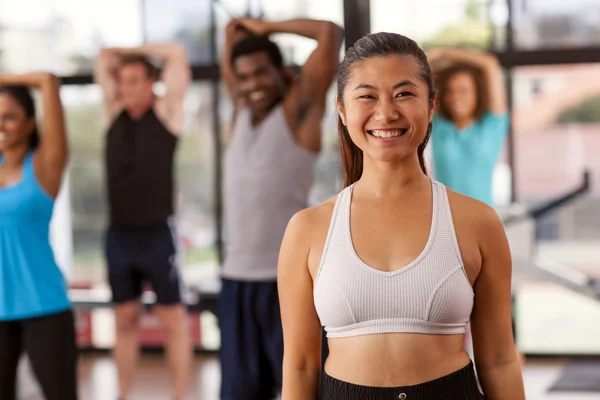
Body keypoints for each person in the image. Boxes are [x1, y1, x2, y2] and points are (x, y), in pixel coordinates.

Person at [278, 33, 526, 399]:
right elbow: (300, 365)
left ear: (430, 106)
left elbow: (500, 361)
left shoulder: (478, 222)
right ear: (342, 111)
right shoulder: (308, 229)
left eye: (403, 94)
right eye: (367, 96)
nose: (385, 113)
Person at [220, 17, 343, 399]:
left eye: (261, 73)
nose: (252, 84)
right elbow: (230, 43)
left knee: (307, 391)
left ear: (281, 71)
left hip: (286, 284)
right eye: (244, 76)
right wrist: (237, 36)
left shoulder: (297, 110)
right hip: (236, 282)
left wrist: (266, 27)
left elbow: (330, 34)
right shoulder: (240, 113)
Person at [94, 44, 191, 400]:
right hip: (119, 234)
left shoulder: (167, 113)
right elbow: (103, 59)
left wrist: (131, 51)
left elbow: (177, 56)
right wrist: (119, 60)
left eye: (134, 80)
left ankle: (180, 395)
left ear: (153, 82)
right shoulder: (112, 112)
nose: (125, 88)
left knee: (172, 322)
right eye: (122, 81)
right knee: (124, 320)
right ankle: (122, 395)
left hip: (157, 234)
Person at [0, 73, 77, 400]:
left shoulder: (44, 167)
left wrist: (5, 77)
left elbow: (47, 81)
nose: (0, 125)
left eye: (9, 117)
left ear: (30, 123)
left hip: (44, 305)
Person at [427, 47, 509, 207]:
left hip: (484, 224)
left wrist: (445, 53)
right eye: (451, 91)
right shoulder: (439, 127)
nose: (456, 97)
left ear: (477, 94)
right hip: (444, 222)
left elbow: (489, 64)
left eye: (463, 90)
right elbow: (423, 70)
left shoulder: (491, 126)